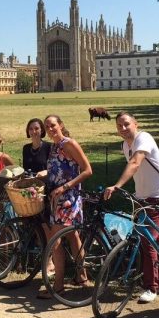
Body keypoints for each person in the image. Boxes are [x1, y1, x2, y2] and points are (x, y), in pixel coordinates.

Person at [104, 112, 159, 303]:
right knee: (156, 243)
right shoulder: (125, 145)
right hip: (142, 199)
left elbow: (135, 163)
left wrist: (117, 185)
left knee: (147, 242)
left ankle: (152, 287)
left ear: (136, 124)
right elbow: (139, 173)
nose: (123, 128)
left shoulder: (144, 138)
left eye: (126, 124)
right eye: (119, 126)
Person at [40, 114, 92, 299]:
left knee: (55, 240)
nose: (50, 128)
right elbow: (58, 170)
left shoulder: (69, 143)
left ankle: (59, 285)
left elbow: (87, 170)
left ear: (60, 125)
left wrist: (65, 187)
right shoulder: (54, 147)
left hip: (68, 198)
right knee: (72, 236)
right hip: (57, 197)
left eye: (53, 125)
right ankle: (82, 276)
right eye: (47, 126)